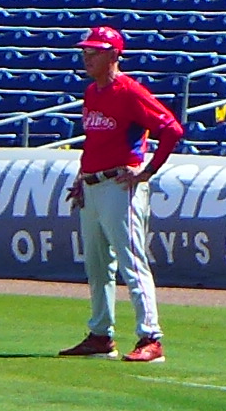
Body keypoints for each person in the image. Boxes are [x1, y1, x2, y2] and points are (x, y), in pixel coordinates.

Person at [61, 26, 181, 364]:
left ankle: (151, 337)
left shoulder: (129, 91)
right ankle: (101, 334)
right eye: (85, 51)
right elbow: (94, 141)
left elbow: (171, 129)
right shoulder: (92, 92)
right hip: (93, 185)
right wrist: (81, 178)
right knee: (98, 266)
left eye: (95, 51)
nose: (87, 57)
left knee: (132, 262)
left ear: (114, 55)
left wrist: (147, 171)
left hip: (120, 185)